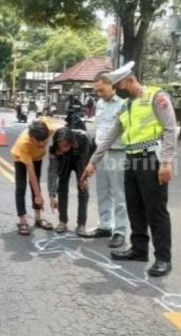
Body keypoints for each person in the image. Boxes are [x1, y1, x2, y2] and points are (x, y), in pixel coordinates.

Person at [82, 61, 177, 277]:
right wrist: (93, 161)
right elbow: (110, 137)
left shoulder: (156, 96)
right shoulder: (125, 106)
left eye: (121, 84)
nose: (120, 89)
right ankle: (139, 249)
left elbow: (171, 129)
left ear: (130, 79)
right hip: (131, 159)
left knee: (156, 211)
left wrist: (166, 162)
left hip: (151, 158)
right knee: (135, 207)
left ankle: (163, 258)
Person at [82, 71, 128, 249]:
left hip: (118, 152)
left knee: (119, 194)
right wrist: (93, 158)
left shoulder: (123, 105)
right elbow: (100, 131)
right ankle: (105, 225)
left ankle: (120, 231)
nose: (99, 94)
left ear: (111, 84)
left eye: (101, 90)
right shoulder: (100, 104)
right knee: (102, 191)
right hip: (101, 153)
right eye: (97, 91)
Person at [11, 119, 56, 235]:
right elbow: (31, 173)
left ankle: (38, 218)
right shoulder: (24, 143)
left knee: (36, 184)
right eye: (38, 141)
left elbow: (61, 128)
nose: (42, 144)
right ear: (31, 137)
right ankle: (22, 220)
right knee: (21, 186)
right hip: (20, 157)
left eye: (44, 141)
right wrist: (38, 196)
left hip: (37, 158)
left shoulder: (48, 128)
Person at [47, 127, 91, 235]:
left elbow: (85, 160)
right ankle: (63, 221)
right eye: (60, 147)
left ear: (71, 142)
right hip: (65, 162)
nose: (63, 149)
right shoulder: (54, 150)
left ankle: (81, 224)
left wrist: (83, 179)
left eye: (66, 145)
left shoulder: (82, 138)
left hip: (81, 160)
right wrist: (52, 196)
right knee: (61, 188)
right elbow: (52, 173)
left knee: (83, 190)